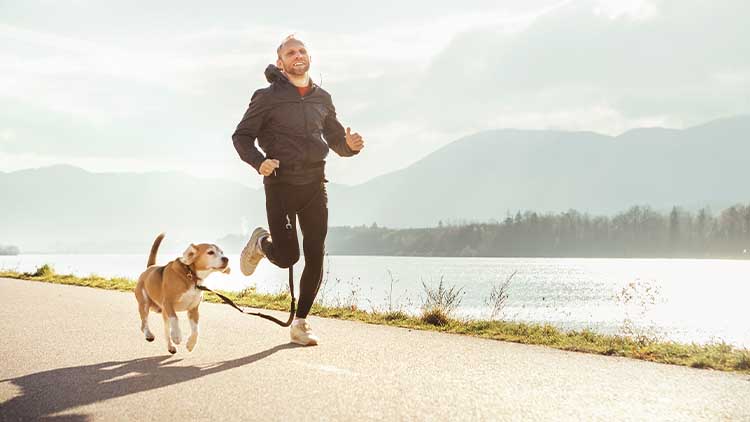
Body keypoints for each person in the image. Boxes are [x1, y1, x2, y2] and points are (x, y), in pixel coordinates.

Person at [232, 35, 365, 346]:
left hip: (315, 185)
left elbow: (335, 140)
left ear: (309, 57)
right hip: (280, 183)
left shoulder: (323, 99)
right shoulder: (266, 97)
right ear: (281, 63)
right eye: (291, 52)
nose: (298, 55)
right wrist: (259, 162)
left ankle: (301, 323)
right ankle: (261, 242)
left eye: (302, 50)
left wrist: (350, 146)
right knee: (289, 256)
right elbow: (241, 136)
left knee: (316, 253)